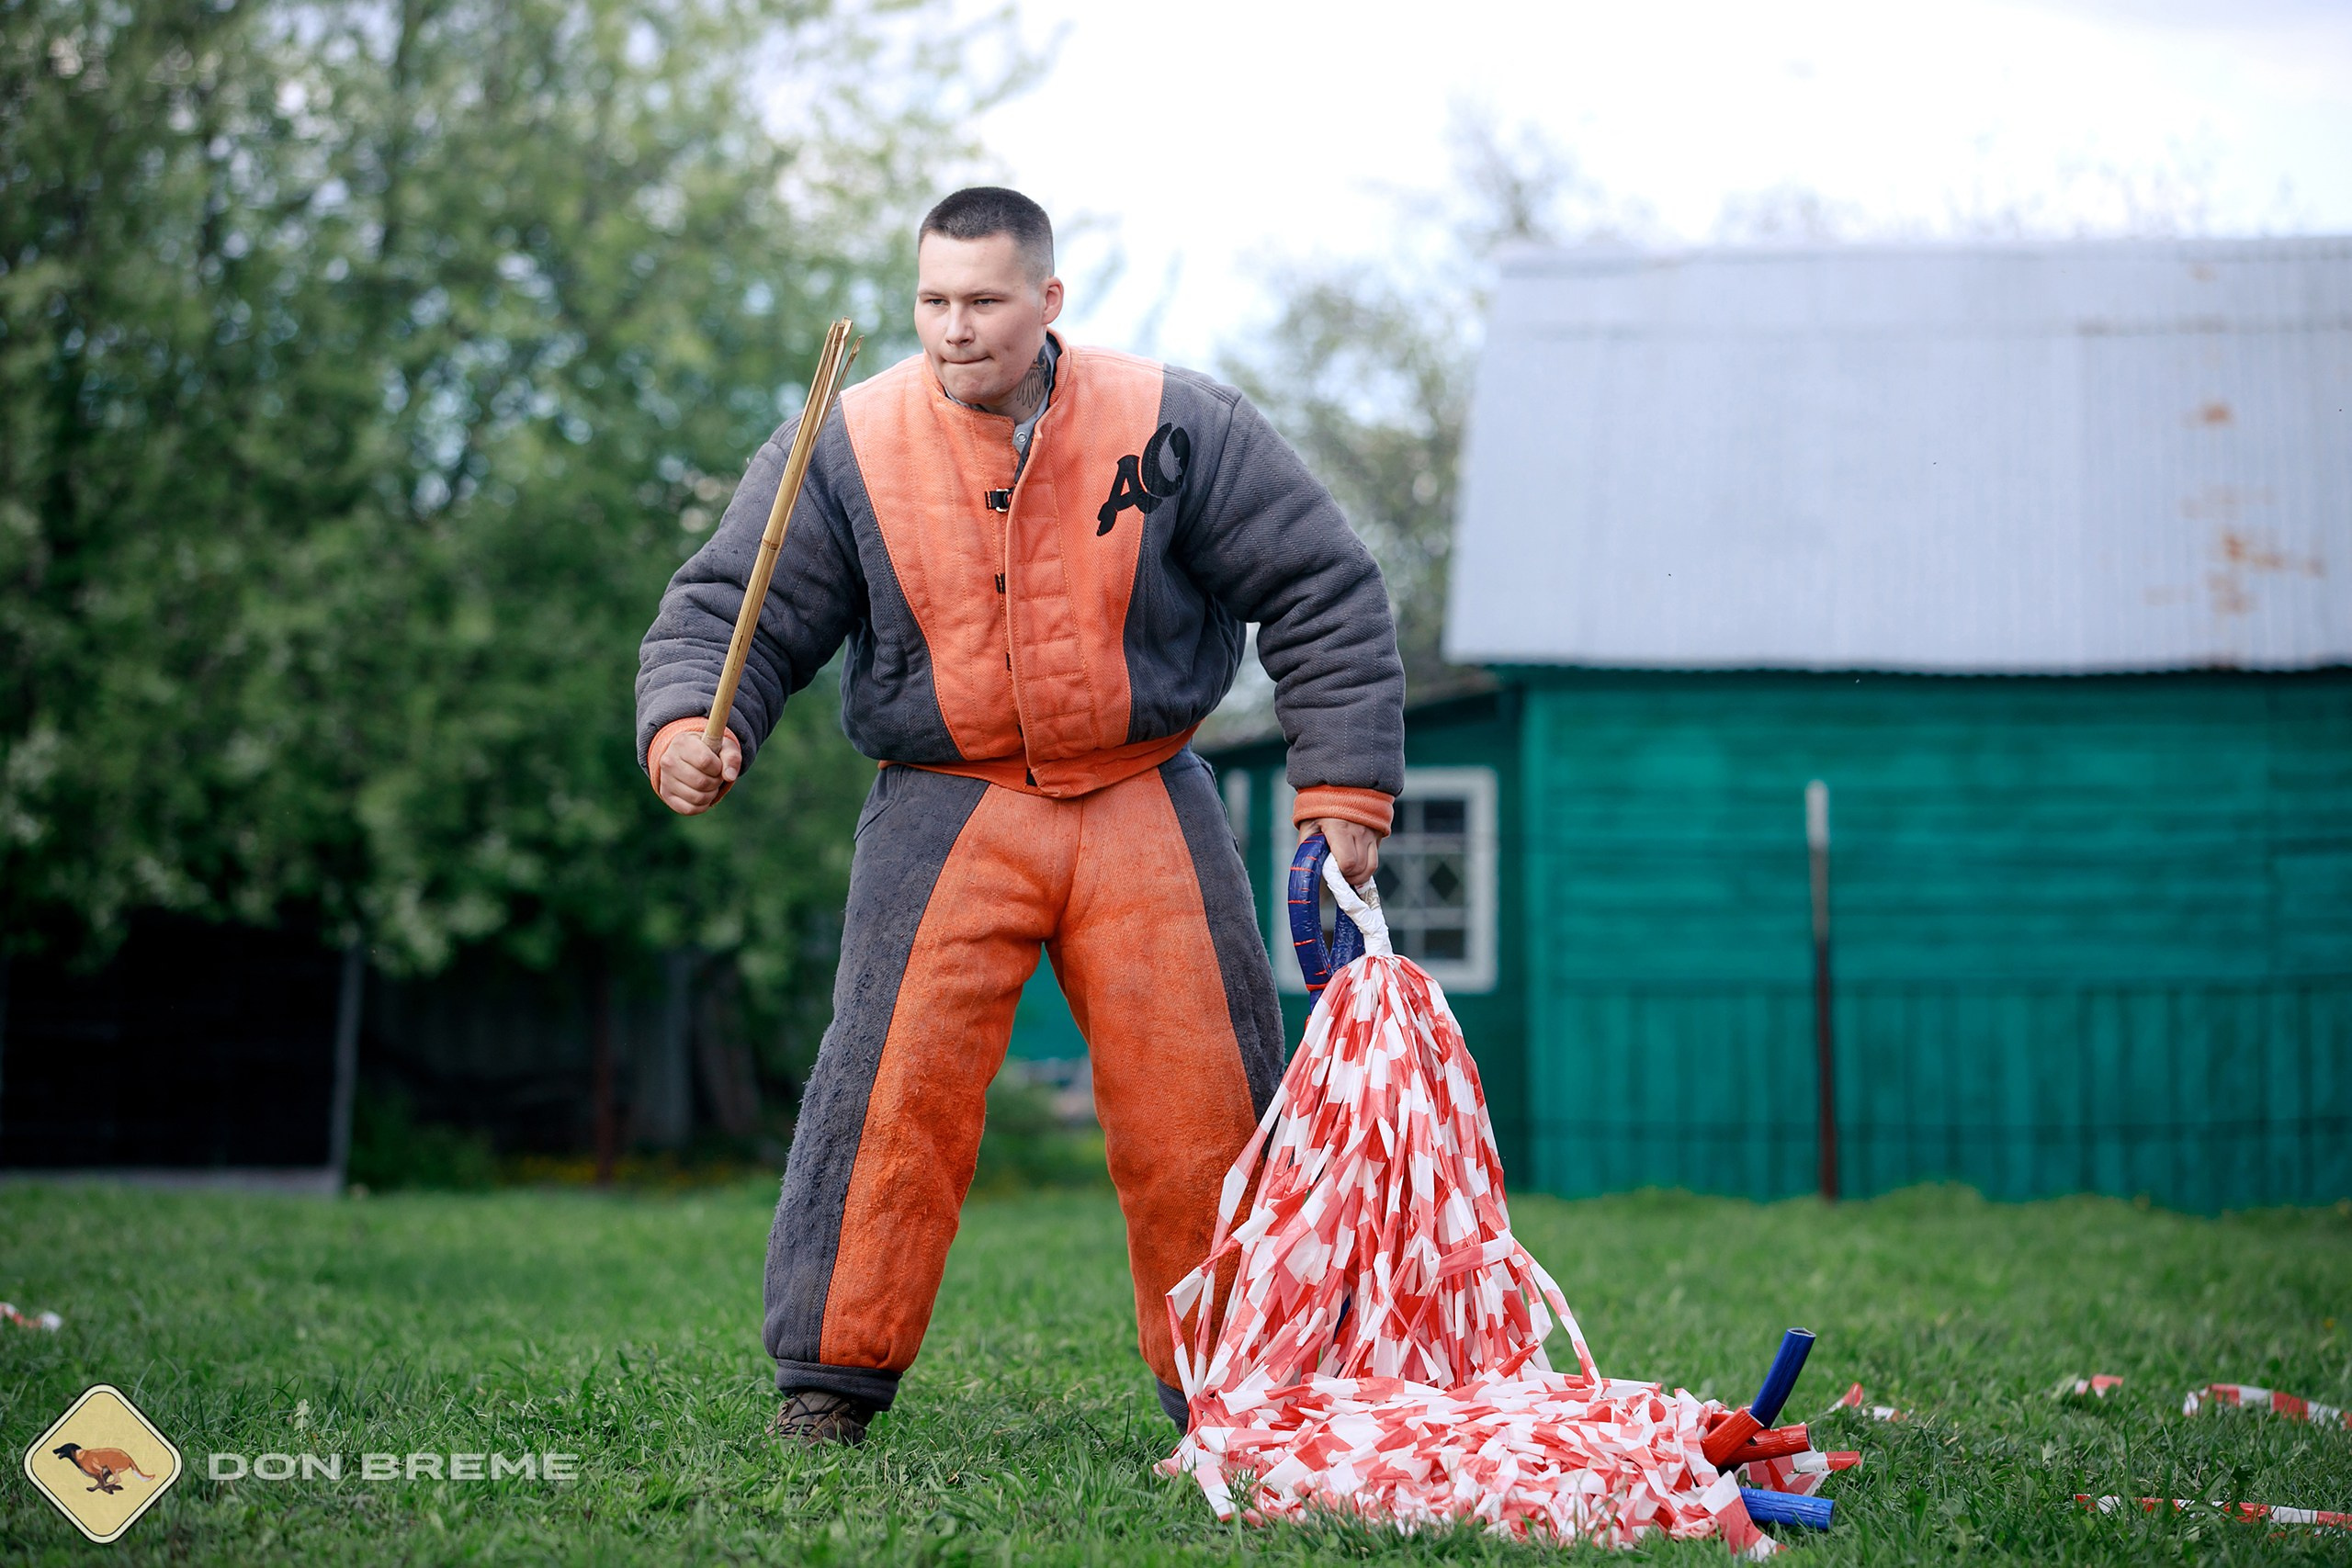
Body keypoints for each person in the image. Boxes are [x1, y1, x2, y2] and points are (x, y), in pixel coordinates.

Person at [636, 186, 1404, 1446]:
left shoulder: (1183, 422)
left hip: (1144, 789)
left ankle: (1241, 1398)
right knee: (889, 1099)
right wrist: (689, 727)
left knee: (1204, 1101)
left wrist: (1345, 792)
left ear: (1048, 301)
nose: (952, 328)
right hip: (945, 807)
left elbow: (1322, 587)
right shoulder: (842, 441)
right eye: (932, 300)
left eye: (983, 300)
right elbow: (733, 614)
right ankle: (829, 1385)